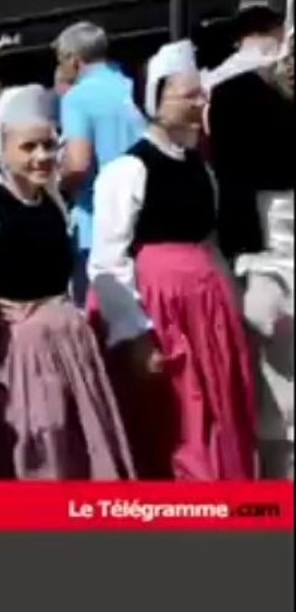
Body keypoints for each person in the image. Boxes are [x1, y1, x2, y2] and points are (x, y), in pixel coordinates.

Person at [0, 85, 134, 480]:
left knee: (73, 446)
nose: (41, 156)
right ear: (4, 149)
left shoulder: (51, 200)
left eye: (49, 145)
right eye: (28, 147)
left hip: (68, 347)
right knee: (34, 444)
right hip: (17, 355)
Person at [88, 40, 256, 480]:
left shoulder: (201, 166)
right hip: (162, 307)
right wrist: (136, 333)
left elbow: (210, 239)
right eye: (189, 94)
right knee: (177, 418)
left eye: (201, 93)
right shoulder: (129, 170)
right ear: (157, 102)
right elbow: (108, 259)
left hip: (206, 305)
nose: (200, 102)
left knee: (218, 410)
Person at [205, 0, 294, 479]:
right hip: (268, 236)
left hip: (258, 239)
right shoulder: (234, 88)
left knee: (270, 377)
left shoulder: (218, 85)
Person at [54, 21, 148, 306]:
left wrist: (58, 187)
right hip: (145, 215)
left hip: (99, 223)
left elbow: (78, 164)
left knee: (98, 312)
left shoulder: (77, 98)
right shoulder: (134, 85)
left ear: (73, 59)